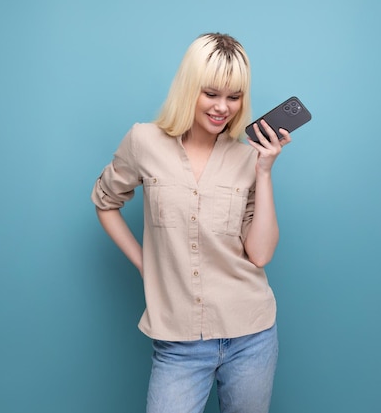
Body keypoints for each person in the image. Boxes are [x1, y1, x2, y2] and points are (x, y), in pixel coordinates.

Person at [91, 32, 292, 413]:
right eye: (211, 93)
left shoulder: (248, 158)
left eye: (234, 97)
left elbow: (260, 253)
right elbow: (105, 202)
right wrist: (144, 262)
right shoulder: (143, 141)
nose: (223, 108)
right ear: (189, 88)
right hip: (178, 341)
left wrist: (264, 172)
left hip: (252, 334)